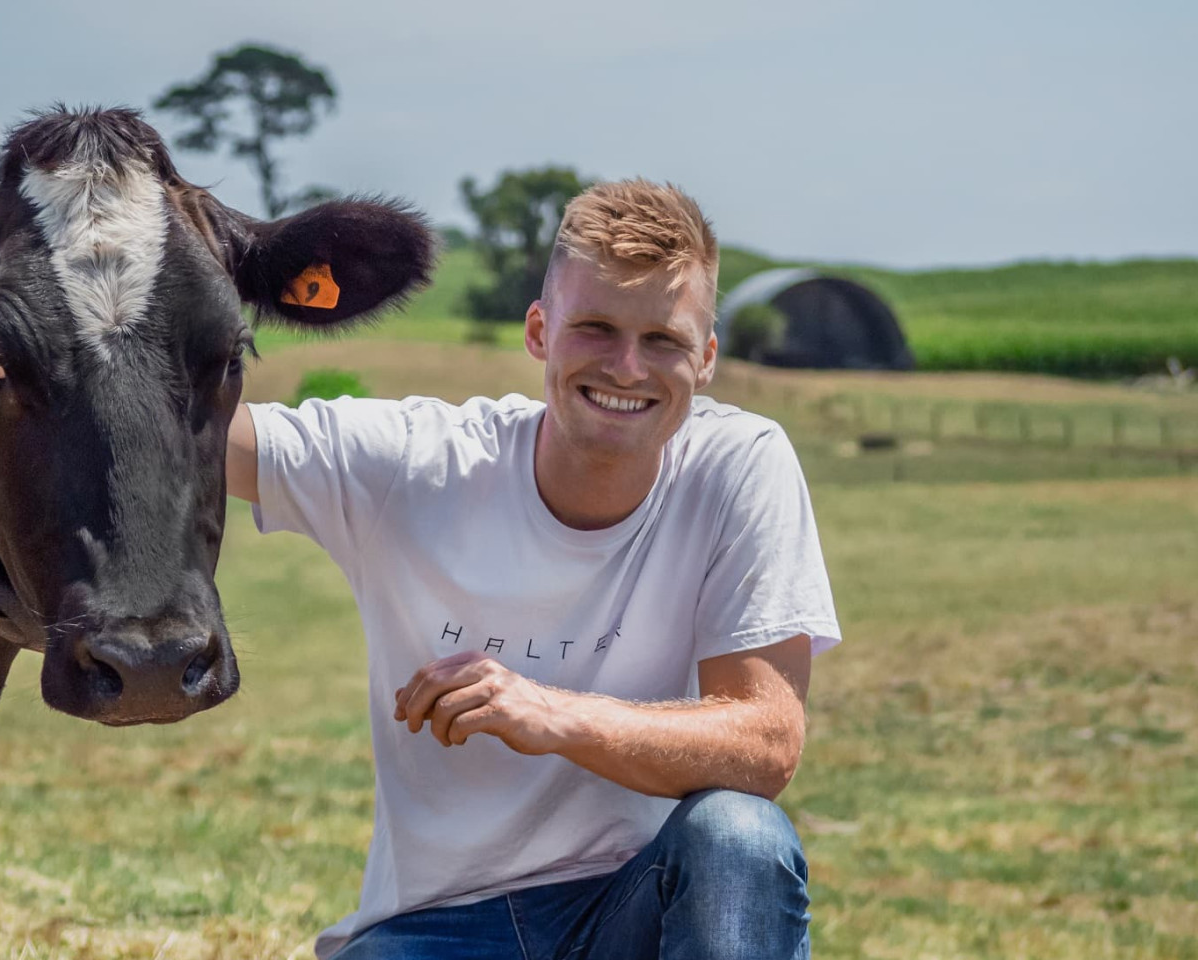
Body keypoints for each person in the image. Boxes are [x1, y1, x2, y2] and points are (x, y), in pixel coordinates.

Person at [225, 179, 841, 959]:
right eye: (595, 328)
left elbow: (765, 743)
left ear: (708, 356)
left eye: (664, 341)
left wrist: (549, 714)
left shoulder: (740, 466)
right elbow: (202, 441)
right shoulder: (418, 465)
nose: (626, 368)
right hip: (436, 924)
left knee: (739, 838)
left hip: (637, 911)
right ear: (539, 331)